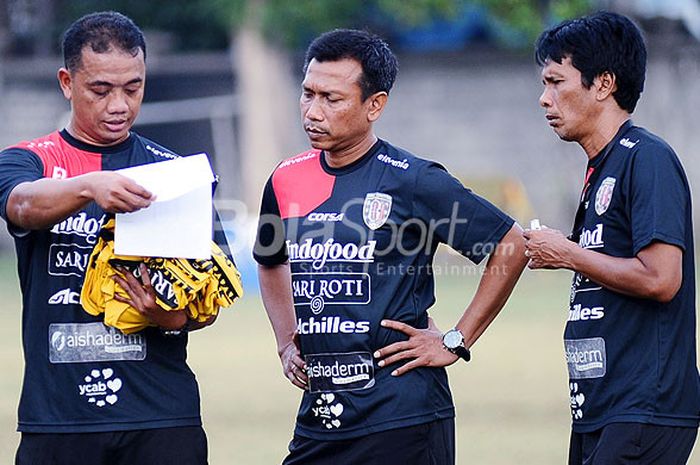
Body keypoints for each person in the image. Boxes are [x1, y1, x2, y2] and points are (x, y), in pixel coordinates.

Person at [253, 28, 528, 465]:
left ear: (374, 105)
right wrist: (286, 341)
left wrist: (456, 340)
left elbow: (510, 244)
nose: (313, 111)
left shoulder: (413, 179)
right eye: (308, 93)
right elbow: (270, 263)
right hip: (320, 419)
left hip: (402, 416)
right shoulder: (285, 179)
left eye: (332, 98)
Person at [0, 11, 225, 465]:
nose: (119, 105)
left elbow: (206, 301)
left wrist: (168, 317)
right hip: (59, 418)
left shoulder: (175, 174)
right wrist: (90, 187)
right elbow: (20, 204)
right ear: (67, 82)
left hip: (161, 416)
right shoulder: (28, 161)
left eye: (133, 87)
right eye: (101, 90)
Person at [525, 11, 700, 465]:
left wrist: (569, 254)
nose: (544, 99)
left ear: (602, 84)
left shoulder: (648, 158)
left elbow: (662, 279)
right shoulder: (602, 169)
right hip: (601, 406)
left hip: (644, 407)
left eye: (555, 82)